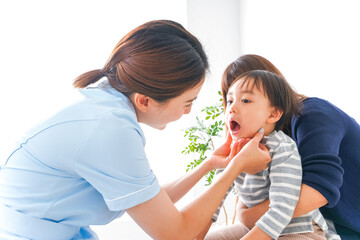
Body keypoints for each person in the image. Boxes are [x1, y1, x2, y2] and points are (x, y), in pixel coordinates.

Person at [0, 21, 271, 240]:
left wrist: (210, 164)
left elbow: (149, 200)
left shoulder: (104, 105)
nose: (188, 112)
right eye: (187, 103)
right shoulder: (109, 129)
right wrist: (235, 168)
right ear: (145, 100)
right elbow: (175, 234)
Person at [207, 54, 360, 240]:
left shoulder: (312, 114)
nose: (234, 108)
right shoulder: (263, 139)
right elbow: (243, 192)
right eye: (230, 99)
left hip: (335, 226)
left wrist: (245, 215)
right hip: (300, 225)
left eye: (246, 99)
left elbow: (319, 192)